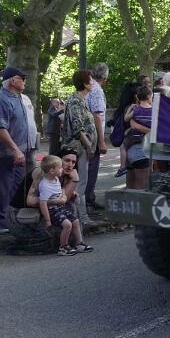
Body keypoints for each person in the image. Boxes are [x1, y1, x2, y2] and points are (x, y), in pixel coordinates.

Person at [0, 66, 33, 231]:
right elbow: (0, 128)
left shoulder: (18, 97)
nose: (25, 81)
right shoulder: (1, 99)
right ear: (13, 80)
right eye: (22, 78)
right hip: (6, 153)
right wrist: (15, 150)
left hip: (19, 152)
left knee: (16, 188)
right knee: (2, 188)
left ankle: (10, 219)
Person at [37, 155, 92, 256]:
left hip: (60, 207)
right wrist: (48, 220)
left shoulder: (56, 179)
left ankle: (79, 243)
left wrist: (64, 195)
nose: (62, 169)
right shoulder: (44, 185)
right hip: (53, 210)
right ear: (52, 171)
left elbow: (60, 189)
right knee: (67, 225)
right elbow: (43, 203)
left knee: (75, 221)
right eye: (60, 168)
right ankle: (63, 247)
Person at [62, 70, 97, 224]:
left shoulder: (81, 100)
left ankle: (80, 216)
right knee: (79, 182)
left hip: (81, 147)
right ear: (84, 83)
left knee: (81, 181)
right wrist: (89, 146)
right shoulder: (76, 101)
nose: (93, 82)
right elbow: (78, 127)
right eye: (90, 79)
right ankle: (80, 217)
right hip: (79, 147)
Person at [85, 62, 108, 217]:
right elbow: (97, 115)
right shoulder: (96, 90)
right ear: (104, 77)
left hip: (86, 134)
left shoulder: (87, 87)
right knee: (91, 168)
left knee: (87, 168)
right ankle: (88, 200)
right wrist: (101, 140)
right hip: (92, 135)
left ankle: (88, 198)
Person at [109, 79, 142, 177]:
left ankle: (122, 166)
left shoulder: (129, 107)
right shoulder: (133, 107)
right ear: (135, 95)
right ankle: (122, 166)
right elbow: (130, 122)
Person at [124, 86, 152, 189]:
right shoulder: (154, 111)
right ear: (148, 96)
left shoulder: (136, 110)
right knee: (142, 183)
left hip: (133, 143)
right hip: (145, 147)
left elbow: (126, 119)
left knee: (132, 182)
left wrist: (130, 108)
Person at [20, 92, 39, 173]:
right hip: (19, 140)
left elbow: (31, 118)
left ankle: (30, 179)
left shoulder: (26, 98)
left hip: (31, 137)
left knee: (31, 161)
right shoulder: (5, 99)